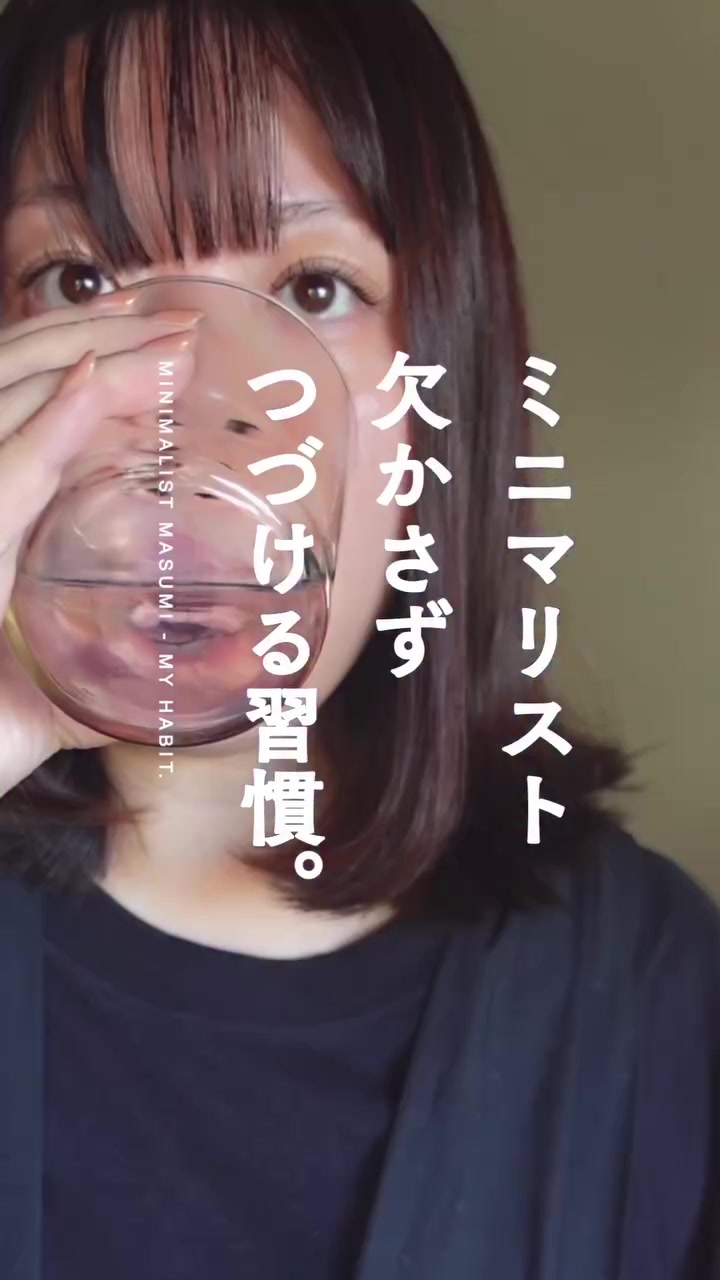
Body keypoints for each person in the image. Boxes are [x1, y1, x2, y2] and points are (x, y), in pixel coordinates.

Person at [0, 1, 717, 1277]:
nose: (195, 399)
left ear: (440, 395)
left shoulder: (654, 996)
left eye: (313, 288)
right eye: (79, 280)